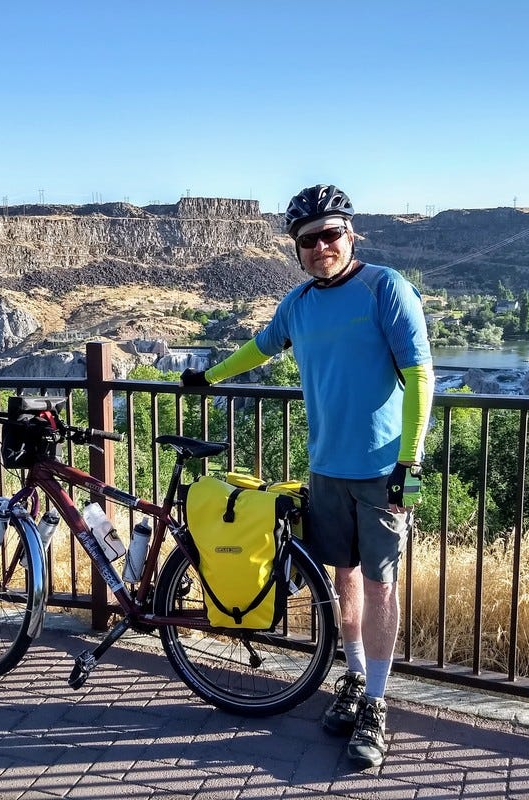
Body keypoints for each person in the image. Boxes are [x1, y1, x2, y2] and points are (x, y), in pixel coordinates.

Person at [181, 184, 434, 769]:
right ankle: (351, 678)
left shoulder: (384, 288)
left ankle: (376, 702)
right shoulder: (299, 303)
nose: (321, 245)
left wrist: (409, 465)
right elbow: (261, 347)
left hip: (381, 470)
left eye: (331, 233)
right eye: (308, 239)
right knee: (341, 576)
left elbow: (421, 376)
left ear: (351, 234)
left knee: (380, 585)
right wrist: (211, 378)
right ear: (295, 248)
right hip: (325, 469)